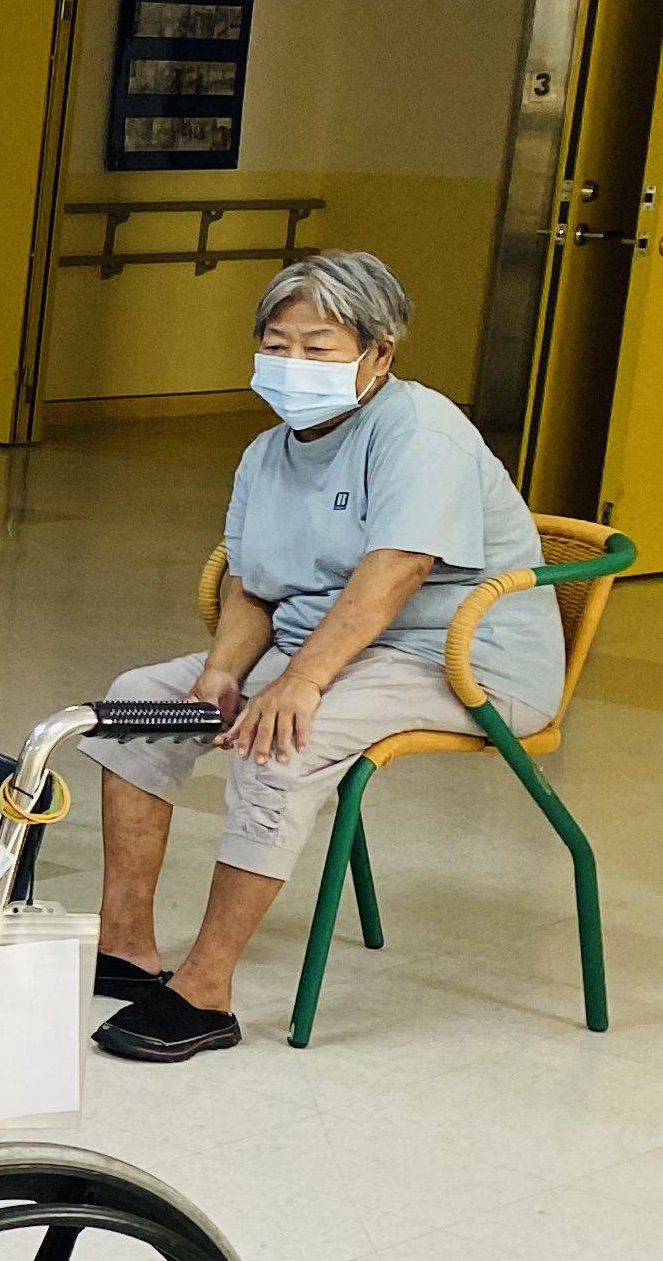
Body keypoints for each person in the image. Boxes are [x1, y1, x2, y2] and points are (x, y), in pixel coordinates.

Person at [82, 250, 562, 1063]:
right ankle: (128, 949)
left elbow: (397, 573)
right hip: (335, 647)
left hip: (460, 658)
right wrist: (222, 673)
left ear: (379, 355)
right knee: (137, 705)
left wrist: (299, 684)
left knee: (280, 742)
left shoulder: (421, 429)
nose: (293, 364)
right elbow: (254, 585)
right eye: (278, 343)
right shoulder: (270, 451)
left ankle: (205, 991)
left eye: (320, 347)